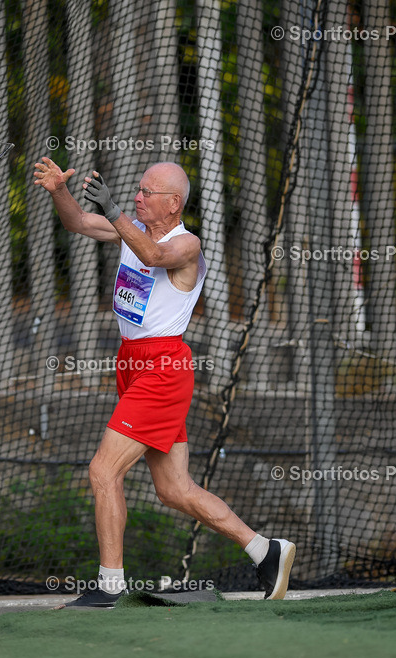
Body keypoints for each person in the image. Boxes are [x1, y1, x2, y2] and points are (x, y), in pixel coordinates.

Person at [32, 157, 296, 607]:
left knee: (103, 470)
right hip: (132, 362)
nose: (137, 198)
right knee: (174, 489)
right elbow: (76, 221)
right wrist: (59, 189)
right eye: (136, 191)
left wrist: (116, 211)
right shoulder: (129, 228)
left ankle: (109, 583)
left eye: (146, 193)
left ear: (173, 204)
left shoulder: (185, 244)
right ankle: (265, 550)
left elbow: (153, 256)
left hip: (163, 367)